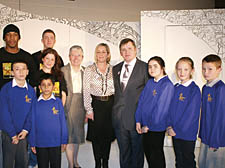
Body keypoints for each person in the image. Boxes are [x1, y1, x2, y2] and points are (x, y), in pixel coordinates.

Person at [112, 38, 149, 168]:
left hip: (136, 119)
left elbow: (148, 96)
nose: (126, 52)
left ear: (135, 50)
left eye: (129, 48)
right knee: (124, 153)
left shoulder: (145, 67)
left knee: (137, 153)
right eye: (123, 49)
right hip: (119, 119)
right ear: (120, 52)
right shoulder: (115, 69)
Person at [135, 56, 174, 168]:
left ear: (162, 67)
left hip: (155, 128)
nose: (152, 69)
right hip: (145, 126)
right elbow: (141, 102)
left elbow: (160, 110)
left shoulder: (167, 85)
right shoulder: (150, 82)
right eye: (149, 67)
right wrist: (138, 120)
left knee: (156, 157)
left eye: (155, 66)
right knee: (149, 156)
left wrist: (148, 125)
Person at [83, 43, 115, 168]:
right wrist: (88, 109)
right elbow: (86, 90)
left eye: (103, 52)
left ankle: (105, 163)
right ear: (95, 54)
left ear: (108, 54)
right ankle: (97, 163)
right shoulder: (89, 69)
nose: (101, 54)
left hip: (110, 106)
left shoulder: (114, 69)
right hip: (95, 105)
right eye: (98, 52)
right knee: (96, 138)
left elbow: (117, 89)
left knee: (107, 137)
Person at [0, 60, 36, 168]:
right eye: (17, 69)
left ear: (27, 71)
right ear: (11, 73)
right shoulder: (6, 89)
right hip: (8, 133)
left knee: (22, 162)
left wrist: (25, 130)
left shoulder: (30, 90)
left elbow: (31, 113)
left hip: (23, 134)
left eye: (23, 69)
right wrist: (12, 134)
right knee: (8, 162)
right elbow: (4, 113)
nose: (21, 72)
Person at [167, 57, 201, 168]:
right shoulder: (175, 87)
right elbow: (169, 110)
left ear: (192, 71)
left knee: (188, 161)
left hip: (187, 134)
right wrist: (169, 126)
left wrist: (176, 130)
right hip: (174, 132)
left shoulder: (194, 90)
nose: (182, 72)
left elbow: (191, 115)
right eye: (179, 69)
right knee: (179, 160)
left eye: (185, 69)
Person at [29, 73, 68, 168]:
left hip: (55, 142)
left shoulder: (58, 102)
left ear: (54, 87)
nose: (46, 87)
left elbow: (63, 122)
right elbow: (32, 124)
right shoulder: (35, 103)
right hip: (40, 143)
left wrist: (64, 140)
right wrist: (32, 142)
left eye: (49, 84)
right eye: (43, 85)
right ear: (39, 87)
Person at [198, 54, 225, 168]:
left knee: (214, 165)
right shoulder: (205, 87)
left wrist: (214, 140)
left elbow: (220, 116)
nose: (206, 72)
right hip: (206, 136)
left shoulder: (220, 88)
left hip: (216, 139)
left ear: (219, 70)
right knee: (203, 163)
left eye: (210, 69)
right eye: (204, 69)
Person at [61, 45, 86, 168]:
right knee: (69, 137)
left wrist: (88, 111)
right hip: (67, 107)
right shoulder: (62, 71)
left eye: (78, 55)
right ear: (69, 57)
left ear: (82, 57)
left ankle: (75, 161)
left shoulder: (86, 71)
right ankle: (71, 165)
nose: (76, 58)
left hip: (81, 108)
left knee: (77, 137)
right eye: (73, 55)